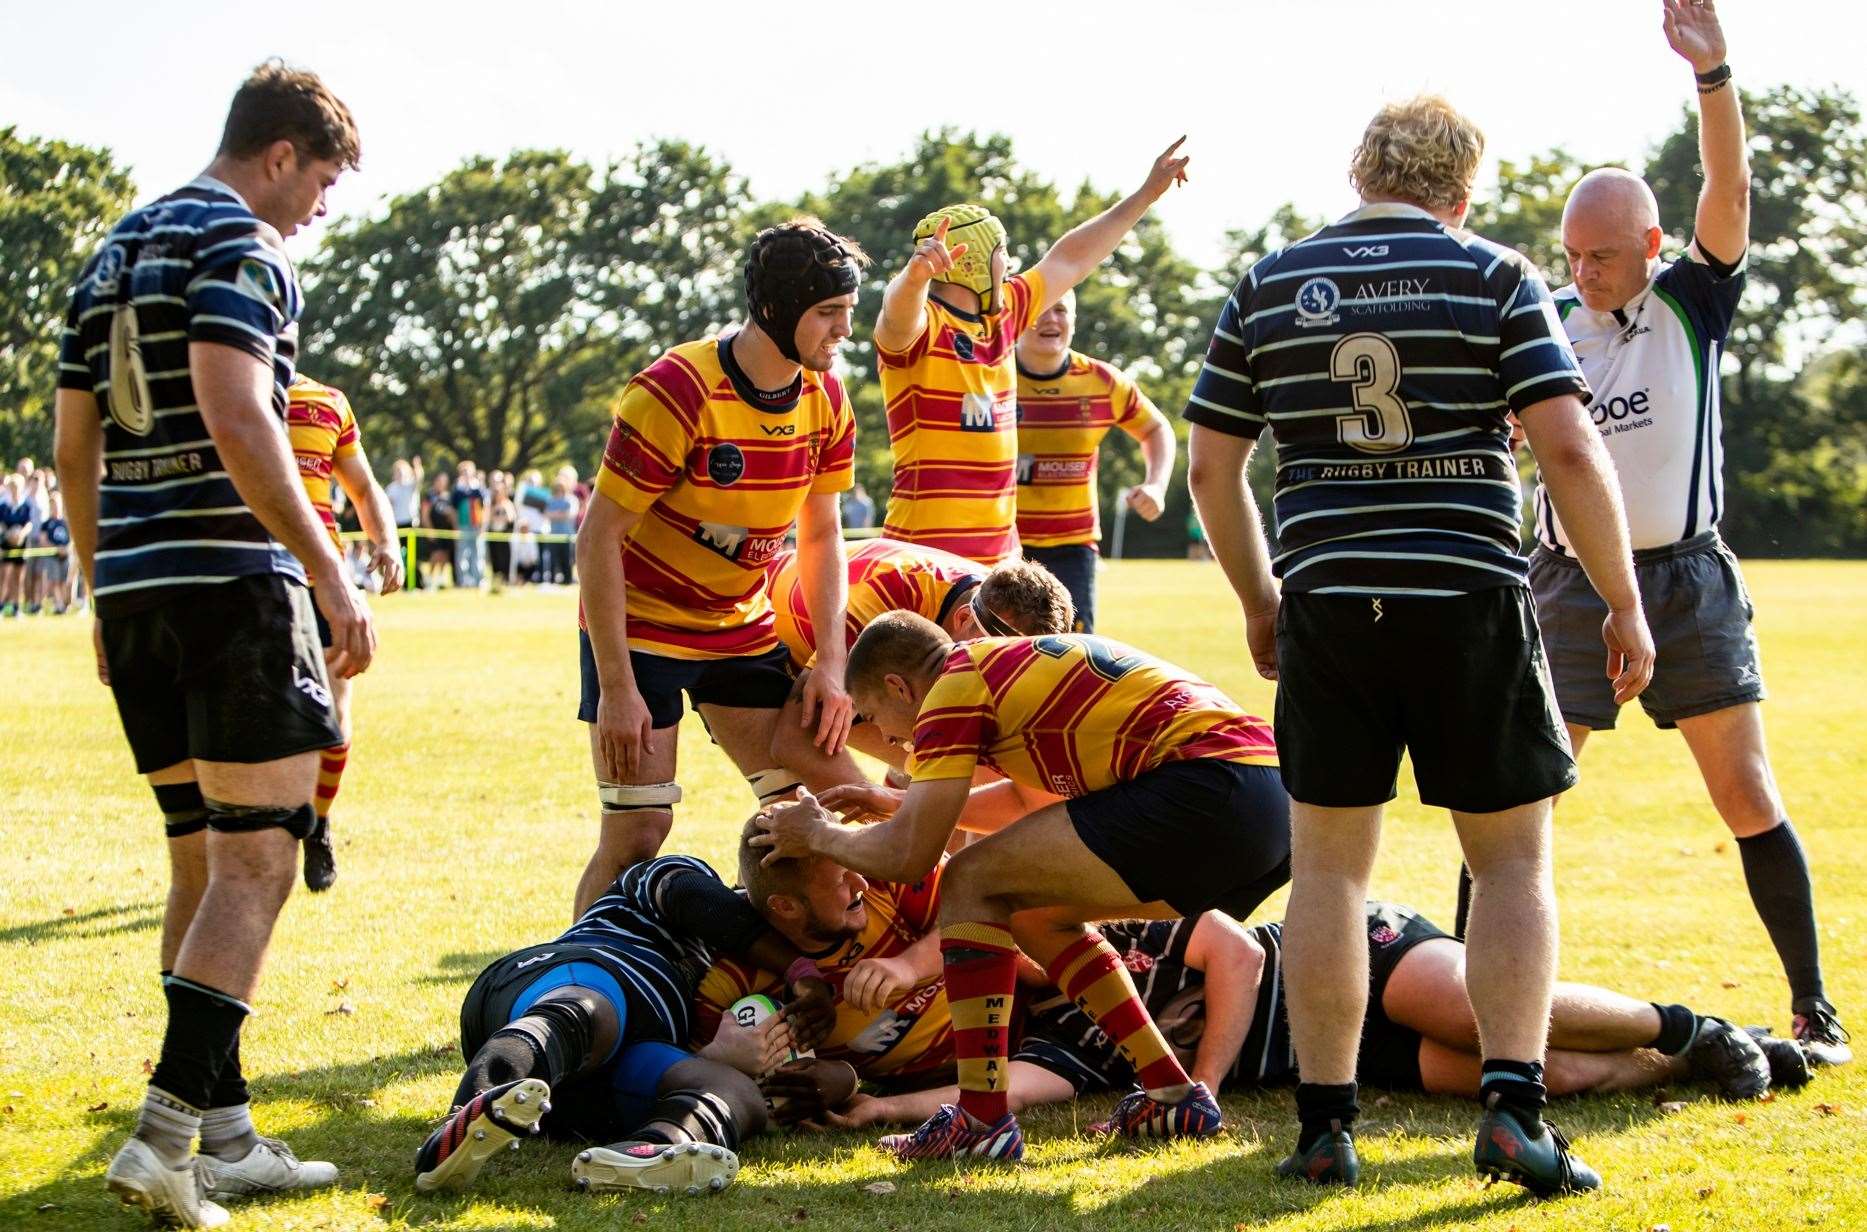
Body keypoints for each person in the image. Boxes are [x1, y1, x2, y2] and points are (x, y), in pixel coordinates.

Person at [1185, 93, 1656, 1197]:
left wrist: (1262, 598)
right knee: (1509, 863)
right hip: (1466, 600)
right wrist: (1621, 600)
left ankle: (1322, 1125)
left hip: (1330, 604)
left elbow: (1214, 468)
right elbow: (1568, 451)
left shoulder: (1266, 281)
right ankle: (1511, 1111)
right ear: (1459, 190)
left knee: (1332, 874)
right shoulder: (1493, 275)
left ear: (1360, 175)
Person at [53, 61, 373, 1227]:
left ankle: (226, 1131)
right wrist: (331, 573)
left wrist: (100, 586)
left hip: (138, 596)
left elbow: (73, 439)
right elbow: (240, 412)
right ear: (280, 153)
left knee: (200, 858)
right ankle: (165, 1133)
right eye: (323, 180)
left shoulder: (111, 251)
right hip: (234, 590)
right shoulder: (243, 245)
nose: (320, 209)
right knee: (259, 861)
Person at [1503, 0, 1847, 1067]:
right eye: (1574, 254)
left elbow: (1729, 190)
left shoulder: (1693, 301)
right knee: (1516, 800)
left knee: (1744, 791)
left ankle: (1810, 1005)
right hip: (1565, 583)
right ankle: (1482, 1007)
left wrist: (1712, 74)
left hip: (1687, 578)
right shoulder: (1548, 322)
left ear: (1652, 246)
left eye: (1605, 254)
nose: (1587, 270)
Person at [754, 613, 1291, 1161]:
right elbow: (1019, 802)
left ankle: (980, 1121)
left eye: (874, 717)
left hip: (1206, 784)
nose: (887, 739)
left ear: (899, 686)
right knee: (1034, 914)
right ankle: (1172, 1093)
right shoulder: (1005, 671)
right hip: (1269, 804)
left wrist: (819, 835)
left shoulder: (952, 686)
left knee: (968, 880)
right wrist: (899, 804)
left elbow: (909, 858)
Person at [831, 904, 1800, 1129]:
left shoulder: (1104, 914)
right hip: (1338, 1051)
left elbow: (1237, 950)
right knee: (1568, 1076)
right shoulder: (1053, 1038)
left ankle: (1685, 1023)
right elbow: (1009, 1089)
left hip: (1347, 953)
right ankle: (1705, 1059)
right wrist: (878, 1109)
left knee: (1476, 1012)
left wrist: (1202, 1080)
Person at [572, 218, 865, 916]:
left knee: (809, 816)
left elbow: (821, 534)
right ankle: (567, 978)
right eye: (828, 314)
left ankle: (806, 972)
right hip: (640, 634)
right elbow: (597, 540)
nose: (843, 333)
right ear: (777, 309)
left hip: (739, 631)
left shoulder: (826, 400)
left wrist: (830, 661)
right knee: (638, 829)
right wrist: (616, 688)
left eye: (847, 315)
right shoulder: (676, 389)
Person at [416, 854, 837, 1197]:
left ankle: (647, 1150)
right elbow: (691, 896)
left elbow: (839, 1076)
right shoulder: (683, 877)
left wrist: (731, 1060)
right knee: (591, 1010)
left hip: (604, 1082)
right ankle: (468, 1112)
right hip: (557, 985)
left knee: (734, 1089)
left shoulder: (754, 985)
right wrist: (801, 970)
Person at [875, 139, 1191, 565]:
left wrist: (1145, 195)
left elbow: (1072, 258)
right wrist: (914, 277)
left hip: (1003, 563)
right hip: (924, 559)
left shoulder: (1005, 313)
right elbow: (893, 318)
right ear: (971, 264)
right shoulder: (922, 327)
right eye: (1001, 253)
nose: (1008, 264)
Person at [765, 538, 1074, 775]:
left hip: (825, 639)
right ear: (964, 618)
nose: (997, 681)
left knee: (962, 768)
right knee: (790, 795)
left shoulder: (994, 606)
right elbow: (794, 741)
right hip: (753, 630)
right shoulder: (886, 603)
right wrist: (896, 820)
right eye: (991, 663)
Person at [695, 820, 960, 1091]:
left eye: (854, 863)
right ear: (785, 906)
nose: (861, 883)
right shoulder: (734, 980)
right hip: (941, 1081)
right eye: (842, 878)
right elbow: (692, 1070)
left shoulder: (890, 873)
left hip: (1002, 1025)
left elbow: (990, 914)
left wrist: (908, 966)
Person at [285, 373, 404, 891]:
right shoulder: (219, 384)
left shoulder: (328, 400)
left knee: (334, 710)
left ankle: (319, 821)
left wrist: (387, 539)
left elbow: (361, 484)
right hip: (249, 580)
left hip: (323, 580)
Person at [1013, 290, 1176, 631]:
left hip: (1073, 546)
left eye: (1060, 310)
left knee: (1072, 653)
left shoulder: (1103, 381)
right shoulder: (991, 375)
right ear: (1016, 315)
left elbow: (1156, 428)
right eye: (1040, 309)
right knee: (997, 649)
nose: (1050, 320)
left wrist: (1156, 485)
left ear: (1073, 320)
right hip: (1001, 539)